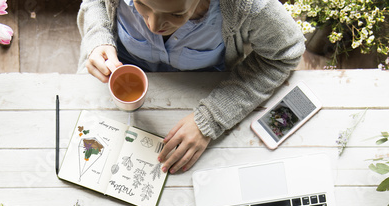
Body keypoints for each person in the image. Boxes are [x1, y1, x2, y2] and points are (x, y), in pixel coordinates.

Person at [78, 0, 305, 173]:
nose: (153, 25)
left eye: (176, 13)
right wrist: (98, 35)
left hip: (205, 98)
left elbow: (285, 53)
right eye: (141, 4)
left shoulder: (247, 6)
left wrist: (212, 116)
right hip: (107, 88)